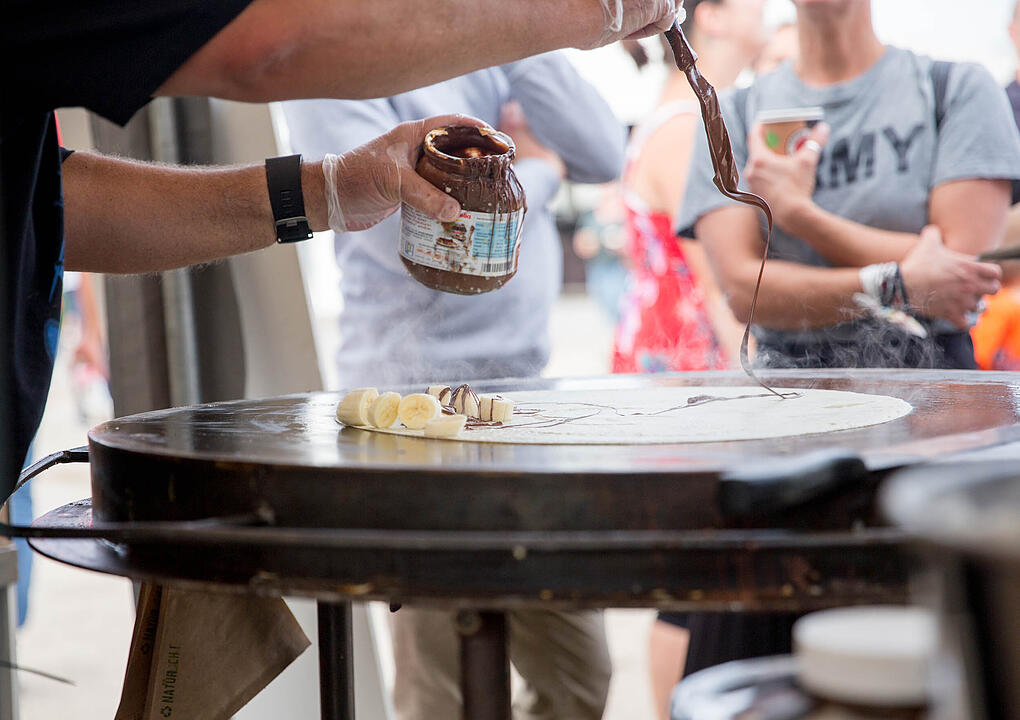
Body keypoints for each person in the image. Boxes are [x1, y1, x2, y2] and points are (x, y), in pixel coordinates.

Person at [1, 0, 684, 500]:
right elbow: (267, 45)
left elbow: (51, 200)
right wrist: (590, 12)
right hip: (404, 380)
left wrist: (326, 191)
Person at [673, 0, 1020, 675]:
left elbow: (958, 272)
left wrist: (800, 215)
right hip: (779, 417)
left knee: (935, 674)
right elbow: (745, 290)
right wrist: (897, 277)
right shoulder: (733, 113)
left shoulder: (952, 87)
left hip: (937, 419)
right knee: (734, 673)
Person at [280, 51, 624, 720]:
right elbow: (401, 228)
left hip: (523, 401)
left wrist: (523, 35)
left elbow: (606, 152)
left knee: (579, 678)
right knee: (441, 689)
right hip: (408, 408)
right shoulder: (341, 52)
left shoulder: (490, 43)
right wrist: (541, 171)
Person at [613, 0, 765, 377]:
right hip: (685, 376)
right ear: (711, 17)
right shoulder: (684, 129)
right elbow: (719, 287)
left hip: (679, 368)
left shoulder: (687, 119)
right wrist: (766, 382)